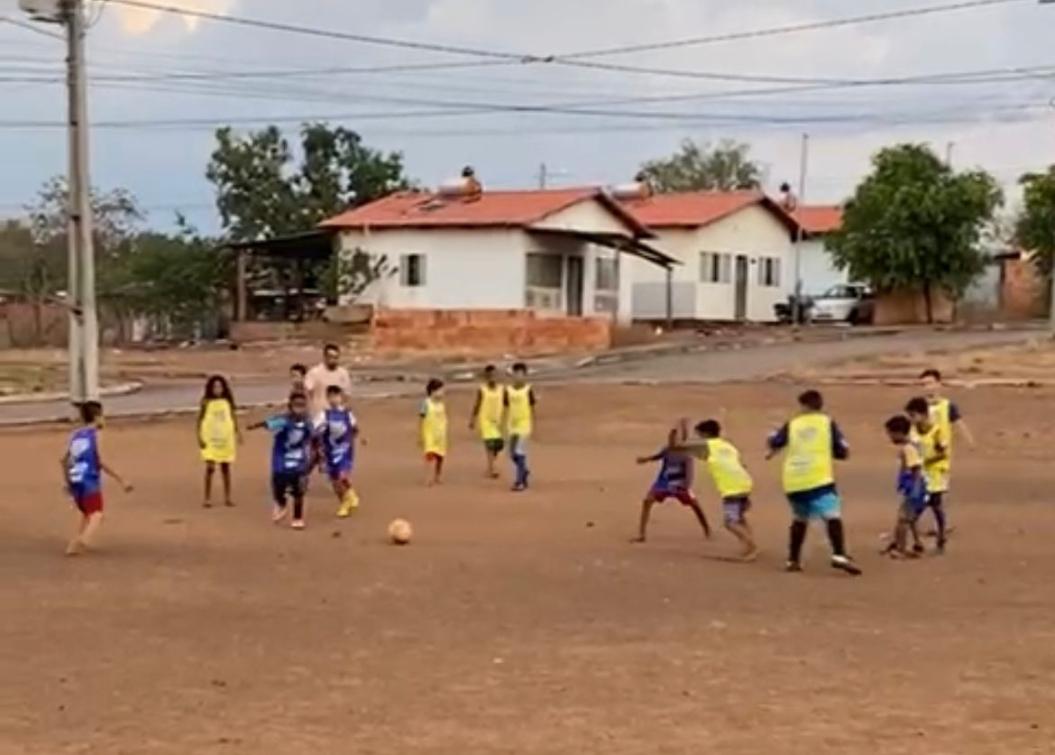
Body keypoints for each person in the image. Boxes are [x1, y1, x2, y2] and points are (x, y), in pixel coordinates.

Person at [767, 390, 862, 576]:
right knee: (832, 515)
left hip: (793, 479)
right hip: (818, 477)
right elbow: (841, 450)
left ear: (803, 405)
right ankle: (839, 554)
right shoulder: (826, 422)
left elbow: (776, 443)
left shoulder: (792, 423)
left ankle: (793, 560)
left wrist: (771, 443)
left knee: (799, 519)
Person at [60, 401, 133, 556]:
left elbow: (64, 460)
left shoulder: (75, 436)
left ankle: (74, 544)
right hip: (89, 479)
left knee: (86, 513)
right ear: (97, 417)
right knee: (97, 514)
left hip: (75, 478)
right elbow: (100, 460)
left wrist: (67, 482)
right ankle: (84, 540)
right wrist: (121, 479)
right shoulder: (95, 435)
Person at [678, 418, 757, 560]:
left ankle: (751, 547)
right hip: (744, 482)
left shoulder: (706, 445)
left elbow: (680, 446)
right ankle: (748, 544)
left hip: (731, 486)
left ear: (705, 434)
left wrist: (682, 429)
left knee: (730, 522)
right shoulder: (727, 446)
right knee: (739, 518)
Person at [632, 426, 711, 544]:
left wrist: (686, 486)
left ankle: (707, 529)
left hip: (679, 484)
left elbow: (689, 472)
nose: (671, 441)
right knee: (647, 501)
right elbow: (657, 456)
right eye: (671, 438)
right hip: (664, 483)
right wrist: (645, 459)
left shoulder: (686, 454)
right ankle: (642, 534)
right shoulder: (667, 450)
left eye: (674, 438)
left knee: (695, 506)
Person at [249, 391, 315, 530]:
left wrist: (318, 455)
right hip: (281, 460)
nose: (299, 408)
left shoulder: (308, 423)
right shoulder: (283, 420)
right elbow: (268, 424)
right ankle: (281, 502)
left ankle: (298, 518)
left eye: (302, 405)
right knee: (278, 485)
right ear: (290, 406)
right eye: (296, 405)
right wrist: (255, 425)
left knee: (299, 490)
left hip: (299, 461)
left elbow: (315, 438)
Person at [918, 368, 971, 539]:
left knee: (936, 492)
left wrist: (968, 440)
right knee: (923, 489)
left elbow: (958, 423)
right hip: (922, 455)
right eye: (924, 384)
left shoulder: (947, 406)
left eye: (930, 383)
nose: (927, 387)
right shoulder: (920, 406)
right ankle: (931, 523)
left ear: (939, 384)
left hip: (940, 457)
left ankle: (937, 525)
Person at [906, 396, 951, 553]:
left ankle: (941, 537)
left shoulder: (937, 431)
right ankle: (918, 541)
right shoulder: (912, 431)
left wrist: (924, 460)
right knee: (914, 510)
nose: (911, 419)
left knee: (935, 506)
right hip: (920, 475)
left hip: (935, 474)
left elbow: (943, 454)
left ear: (924, 414)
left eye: (913, 416)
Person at [882, 415, 927, 559]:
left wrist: (914, 488)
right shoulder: (913, 445)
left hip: (915, 487)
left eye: (890, 434)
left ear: (899, 433)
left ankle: (901, 549)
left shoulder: (908, 449)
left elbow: (916, 468)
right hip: (916, 487)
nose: (890, 437)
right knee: (911, 518)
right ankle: (918, 543)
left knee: (902, 519)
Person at [197, 374, 240, 508]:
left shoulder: (227, 402)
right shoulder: (206, 402)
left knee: (225, 468)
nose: (217, 389)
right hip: (210, 438)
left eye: (220, 386)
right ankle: (207, 498)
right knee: (210, 468)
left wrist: (237, 433)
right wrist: (199, 437)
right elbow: (200, 420)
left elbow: (232, 418)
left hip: (225, 438)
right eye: (215, 386)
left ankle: (228, 497)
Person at [319, 384, 360, 518]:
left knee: (343, 476)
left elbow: (355, 428)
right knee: (335, 482)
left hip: (345, 450)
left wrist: (352, 438)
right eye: (330, 396)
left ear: (341, 397)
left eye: (335, 396)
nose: (333, 399)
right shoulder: (324, 415)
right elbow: (316, 430)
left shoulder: (347, 413)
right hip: (330, 451)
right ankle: (345, 501)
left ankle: (350, 497)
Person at [468, 364, 506, 479]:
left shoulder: (502, 389)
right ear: (486, 377)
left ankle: (491, 465)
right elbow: (477, 405)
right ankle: (492, 468)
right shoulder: (482, 389)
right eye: (489, 375)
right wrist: (472, 419)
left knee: (498, 445)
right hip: (486, 420)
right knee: (490, 444)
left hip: (498, 420)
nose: (492, 377)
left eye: (494, 375)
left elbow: (507, 403)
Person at [305, 344, 352, 427]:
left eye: (336, 357)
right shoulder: (314, 372)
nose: (333, 360)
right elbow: (308, 393)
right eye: (330, 357)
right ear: (325, 357)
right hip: (318, 414)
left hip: (336, 416)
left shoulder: (343, 373)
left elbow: (346, 395)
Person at [506, 363, 536, 492]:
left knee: (519, 452)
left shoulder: (528, 389)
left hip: (524, 424)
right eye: (516, 373)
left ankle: (520, 482)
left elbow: (532, 406)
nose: (518, 377)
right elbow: (506, 406)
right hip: (512, 424)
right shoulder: (508, 390)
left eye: (521, 374)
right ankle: (523, 470)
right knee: (512, 453)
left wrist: (533, 423)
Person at [420, 378, 448, 486]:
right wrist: (420, 434)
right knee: (429, 455)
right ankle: (427, 478)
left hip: (441, 433)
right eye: (440, 390)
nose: (442, 393)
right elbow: (421, 418)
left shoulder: (441, 404)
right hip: (429, 432)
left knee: (440, 457)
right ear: (432, 391)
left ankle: (437, 476)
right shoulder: (426, 403)